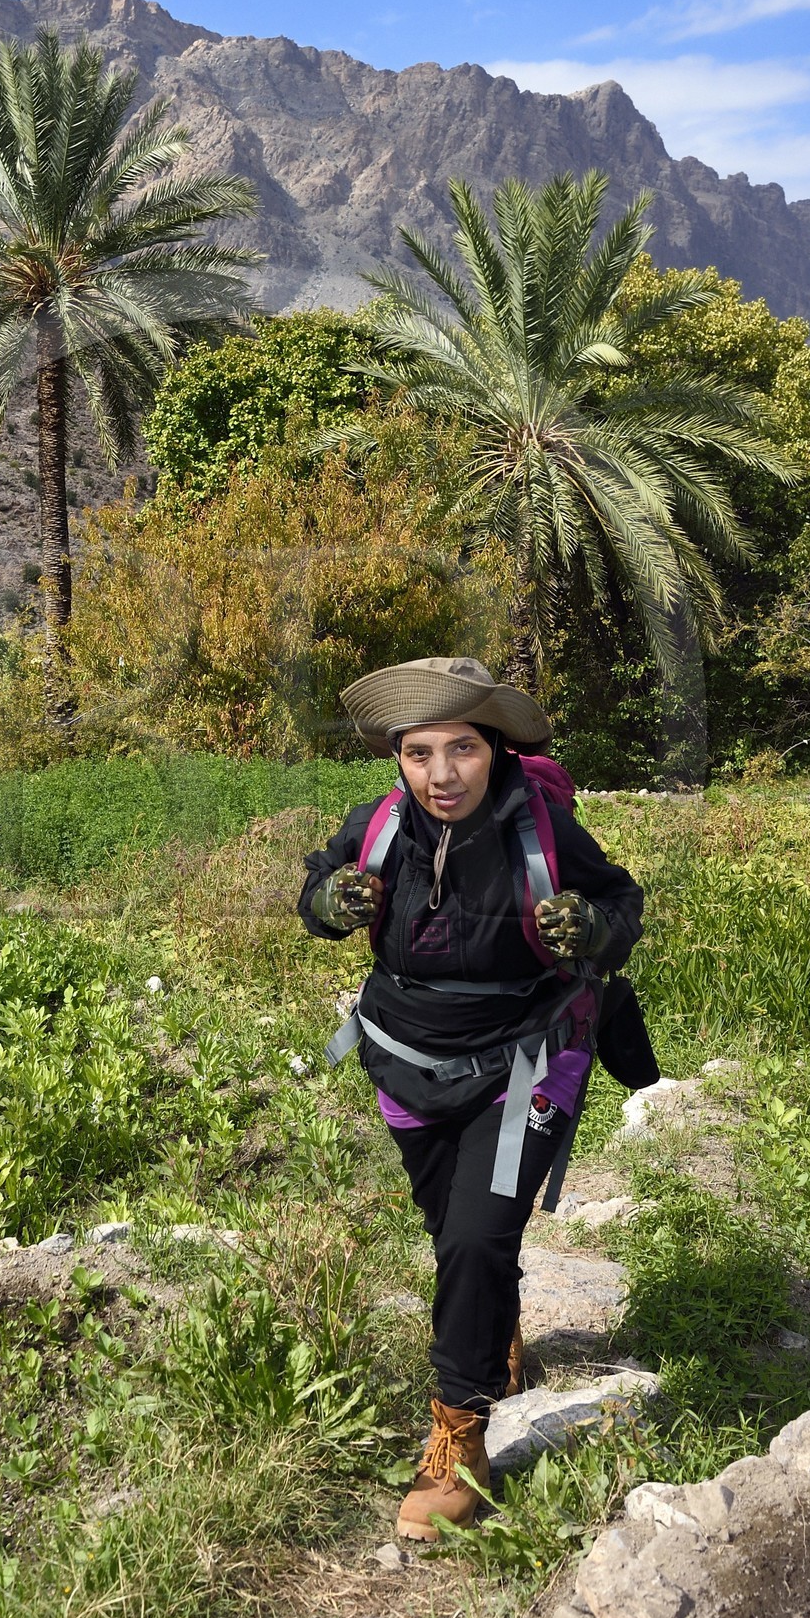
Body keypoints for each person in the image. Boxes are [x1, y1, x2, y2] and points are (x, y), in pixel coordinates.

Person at [298, 656, 645, 1543]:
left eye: (461, 749)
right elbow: (315, 888)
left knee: (478, 1233)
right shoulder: (376, 827)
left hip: (525, 1060)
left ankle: (459, 1442)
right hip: (406, 1058)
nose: (440, 775)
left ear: (495, 749)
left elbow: (618, 899)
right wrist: (331, 901)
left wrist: (594, 927)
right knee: (453, 1234)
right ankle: (495, 1330)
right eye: (419, 754)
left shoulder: (542, 827)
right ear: (398, 758)